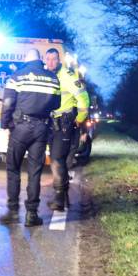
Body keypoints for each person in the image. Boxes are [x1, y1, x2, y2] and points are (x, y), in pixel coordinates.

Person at [0, 49, 60, 227]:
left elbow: (8, 103)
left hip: (20, 128)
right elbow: (57, 103)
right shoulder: (52, 78)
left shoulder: (17, 76)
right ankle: (32, 214)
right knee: (35, 172)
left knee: (13, 169)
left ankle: (13, 212)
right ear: (40, 60)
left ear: (26, 60)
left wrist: (5, 124)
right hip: (41, 128)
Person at [44, 49, 89, 211]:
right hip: (51, 122)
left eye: (53, 59)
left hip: (64, 122)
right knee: (55, 158)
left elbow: (84, 98)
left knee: (57, 159)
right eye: (47, 59)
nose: (50, 62)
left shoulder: (68, 76)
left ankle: (59, 198)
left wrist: (79, 119)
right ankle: (62, 195)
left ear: (59, 60)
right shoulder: (46, 75)